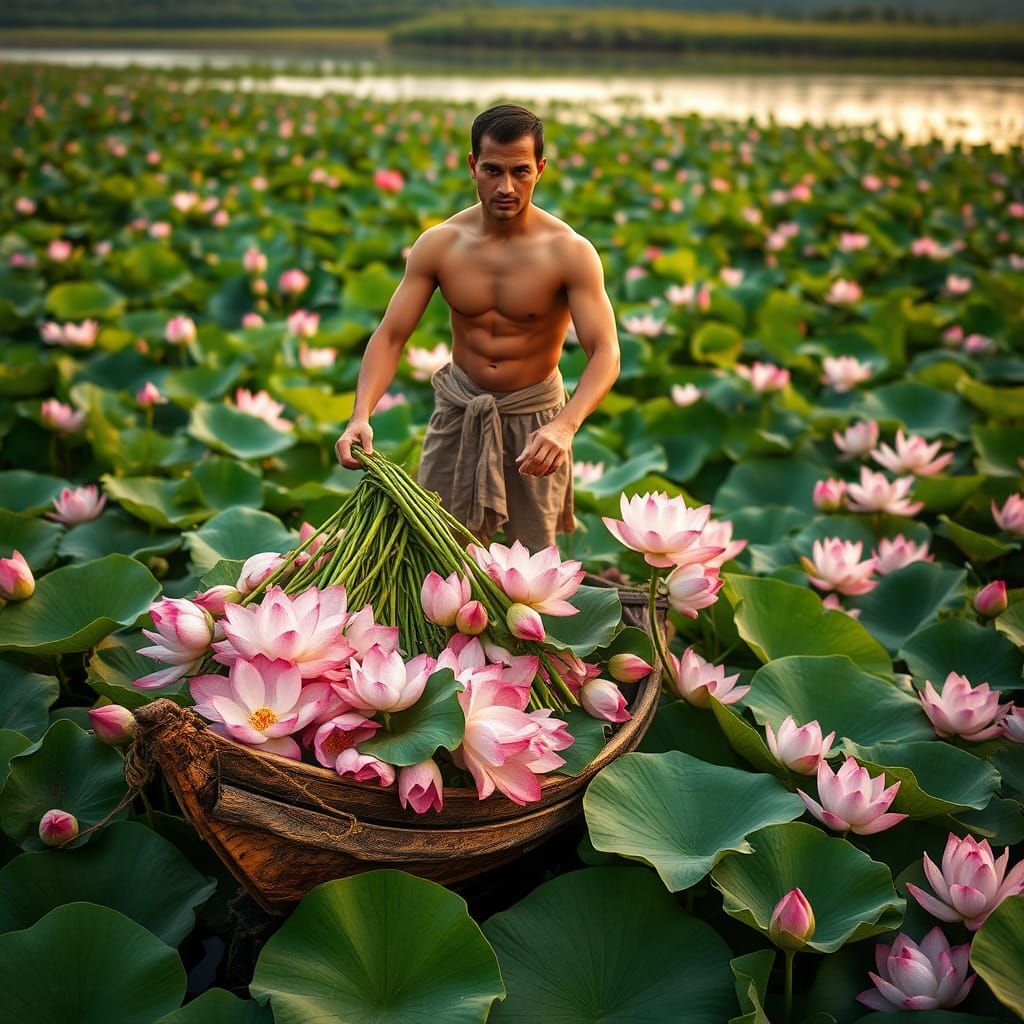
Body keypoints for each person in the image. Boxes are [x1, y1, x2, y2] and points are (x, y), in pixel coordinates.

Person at [335, 103, 620, 551]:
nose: (506, 186)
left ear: (540, 169)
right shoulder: (440, 245)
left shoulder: (570, 252)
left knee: (532, 560)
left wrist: (565, 426)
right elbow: (391, 336)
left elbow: (605, 351)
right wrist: (360, 415)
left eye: (521, 171)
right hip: (460, 409)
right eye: (492, 170)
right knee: (436, 550)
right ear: (473, 166)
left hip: (536, 417)